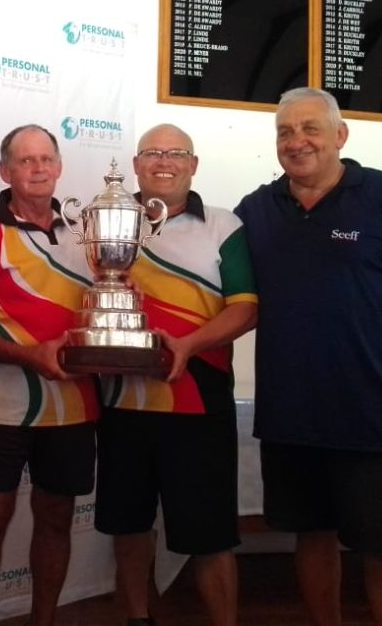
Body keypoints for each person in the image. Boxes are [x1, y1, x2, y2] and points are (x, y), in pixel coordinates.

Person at [234, 87, 382, 626]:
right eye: (285, 132)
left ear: (340, 135)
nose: (297, 141)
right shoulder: (256, 210)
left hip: (373, 416)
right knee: (312, 538)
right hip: (292, 416)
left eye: (310, 128)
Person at [94, 124, 258, 626]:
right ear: (136, 164)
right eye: (152, 152)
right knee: (129, 527)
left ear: (193, 164)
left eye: (175, 153)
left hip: (199, 400)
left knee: (211, 536)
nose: (163, 162)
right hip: (123, 401)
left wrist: (189, 345)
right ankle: (137, 618)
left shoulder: (224, 225)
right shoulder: (109, 218)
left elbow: (246, 308)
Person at [0, 124, 99, 626]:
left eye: (45, 159)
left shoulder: (88, 234)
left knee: (57, 518)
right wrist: (30, 356)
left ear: (59, 167)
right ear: (4, 171)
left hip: (73, 405)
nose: (37, 169)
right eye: (25, 160)